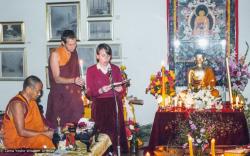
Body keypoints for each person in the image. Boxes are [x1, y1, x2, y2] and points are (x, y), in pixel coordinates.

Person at [86, 43, 128, 154]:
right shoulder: (91, 70)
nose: (106, 58)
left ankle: (115, 152)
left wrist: (120, 89)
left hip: (114, 104)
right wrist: (100, 90)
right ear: (97, 56)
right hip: (99, 106)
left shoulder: (115, 69)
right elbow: (89, 93)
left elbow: (122, 89)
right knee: (101, 135)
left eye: (108, 56)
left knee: (115, 133)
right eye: (103, 55)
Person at [3, 75, 55, 149]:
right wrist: (45, 134)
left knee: (56, 138)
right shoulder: (17, 104)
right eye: (37, 91)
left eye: (40, 91)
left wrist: (53, 130)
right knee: (42, 139)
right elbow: (21, 132)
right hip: (15, 143)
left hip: (28, 138)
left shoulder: (32, 102)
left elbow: (37, 125)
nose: (39, 94)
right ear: (28, 89)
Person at [46, 30, 84, 128]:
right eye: (70, 44)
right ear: (63, 43)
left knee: (75, 129)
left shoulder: (74, 52)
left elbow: (76, 73)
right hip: (60, 98)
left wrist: (80, 82)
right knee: (59, 129)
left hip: (73, 98)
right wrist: (74, 80)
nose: (73, 47)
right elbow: (57, 79)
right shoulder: (55, 55)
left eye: (75, 44)